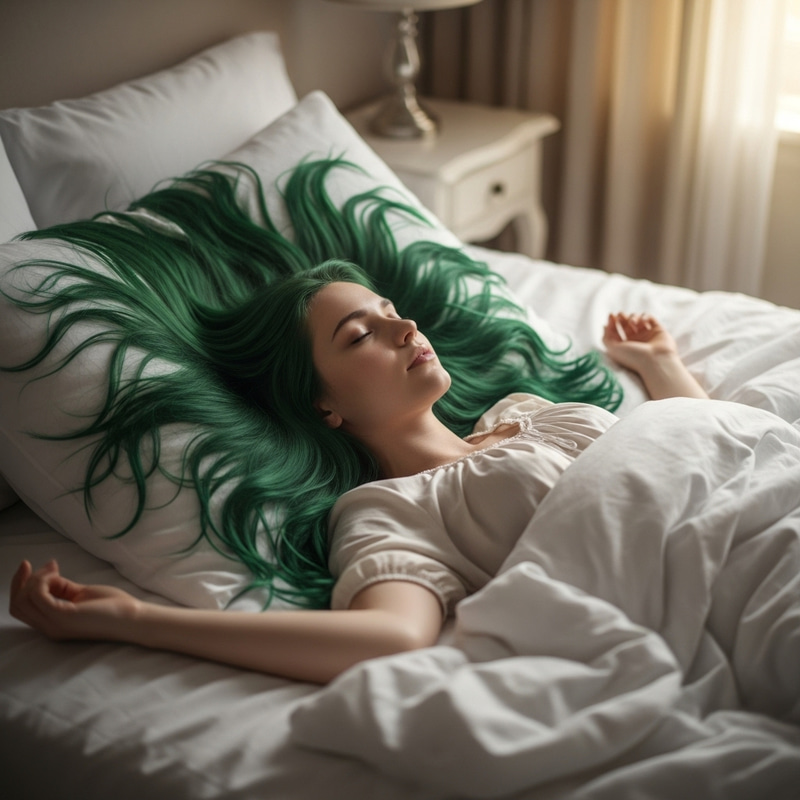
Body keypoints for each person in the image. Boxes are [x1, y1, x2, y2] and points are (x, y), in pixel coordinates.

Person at [9, 259, 708, 685]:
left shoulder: (526, 410)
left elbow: (701, 446)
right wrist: (139, 621)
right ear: (322, 403)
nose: (406, 330)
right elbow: (390, 638)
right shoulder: (391, 511)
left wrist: (662, 366)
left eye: (392, 314)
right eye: (359, 336)